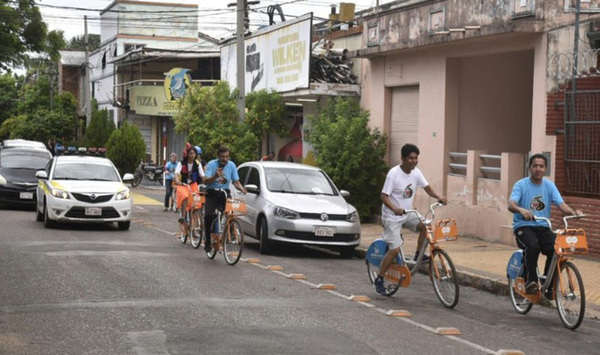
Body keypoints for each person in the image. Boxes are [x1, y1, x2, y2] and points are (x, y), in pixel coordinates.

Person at [374, 143, 447, 296]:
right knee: (394, 250)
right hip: (392, 217)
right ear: (403, 159)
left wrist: (438, 197)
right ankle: (380, 278)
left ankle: (417, 254)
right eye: (411, 158)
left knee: (425, 226)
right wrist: (394, 208)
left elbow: (427, 187)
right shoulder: (393, 174)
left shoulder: (416, 173)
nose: (414, 161)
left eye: (416, 158)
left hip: (407, 213)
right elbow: (383, 196)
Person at [508, 153, 582, 296]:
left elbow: (562, 205)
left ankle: (548, 285)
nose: (538, 169)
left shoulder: (549, 185)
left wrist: (574, 212)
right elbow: (511, 204)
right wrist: (520, 209)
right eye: (535, 166)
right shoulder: (521, 185)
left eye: (541, 166)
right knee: (533, 246)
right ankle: (531, 281)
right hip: (523, 226)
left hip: (543, 226)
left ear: (545, 169)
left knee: (557, 249)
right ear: (529, 168)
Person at [203, 145, 247, 252]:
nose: (225, 159)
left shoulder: (231, 165)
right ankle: (208, 240)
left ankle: (229, 231)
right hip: (212, 193)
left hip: (224, 193)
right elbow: (205, 180)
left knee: (230, 214)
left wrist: (242, 188)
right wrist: (215, 176)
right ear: (218, 156)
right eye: (222, 157)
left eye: (227, 156)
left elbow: (236, 181)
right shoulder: (211, 164)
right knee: (208, 215)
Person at [174, 143, 205, 237]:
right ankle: (183, 217)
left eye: (194, 154)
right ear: (187, 154)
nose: (192, 155)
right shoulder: (181, 163)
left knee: (195, 206)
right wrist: (177, 180)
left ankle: (194, 229)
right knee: (185, 196)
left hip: (193, 185)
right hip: (183, 185)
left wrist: (206, 181)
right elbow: (176, 173)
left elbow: (202, 175)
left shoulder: (197, 164)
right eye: (191, 153)